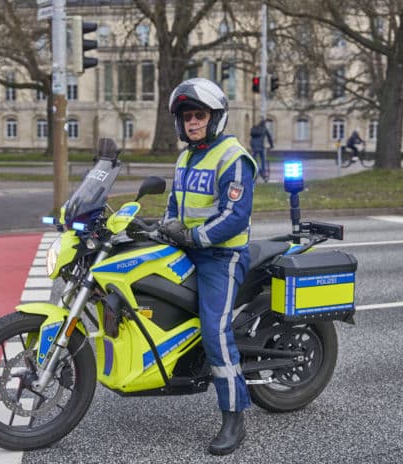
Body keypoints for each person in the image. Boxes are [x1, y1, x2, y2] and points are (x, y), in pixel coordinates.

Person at [157, 77, 258, 456]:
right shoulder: (186, 157)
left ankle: (234, 416)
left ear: (215, 117)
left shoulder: (234, 157)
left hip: (222, 256)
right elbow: (173, 208)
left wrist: (193, 238)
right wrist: (161, 229)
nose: (192, 123)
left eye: (198, 115)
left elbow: (235, 216)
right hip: (188, 248)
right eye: (186, 117)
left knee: (215, 331)